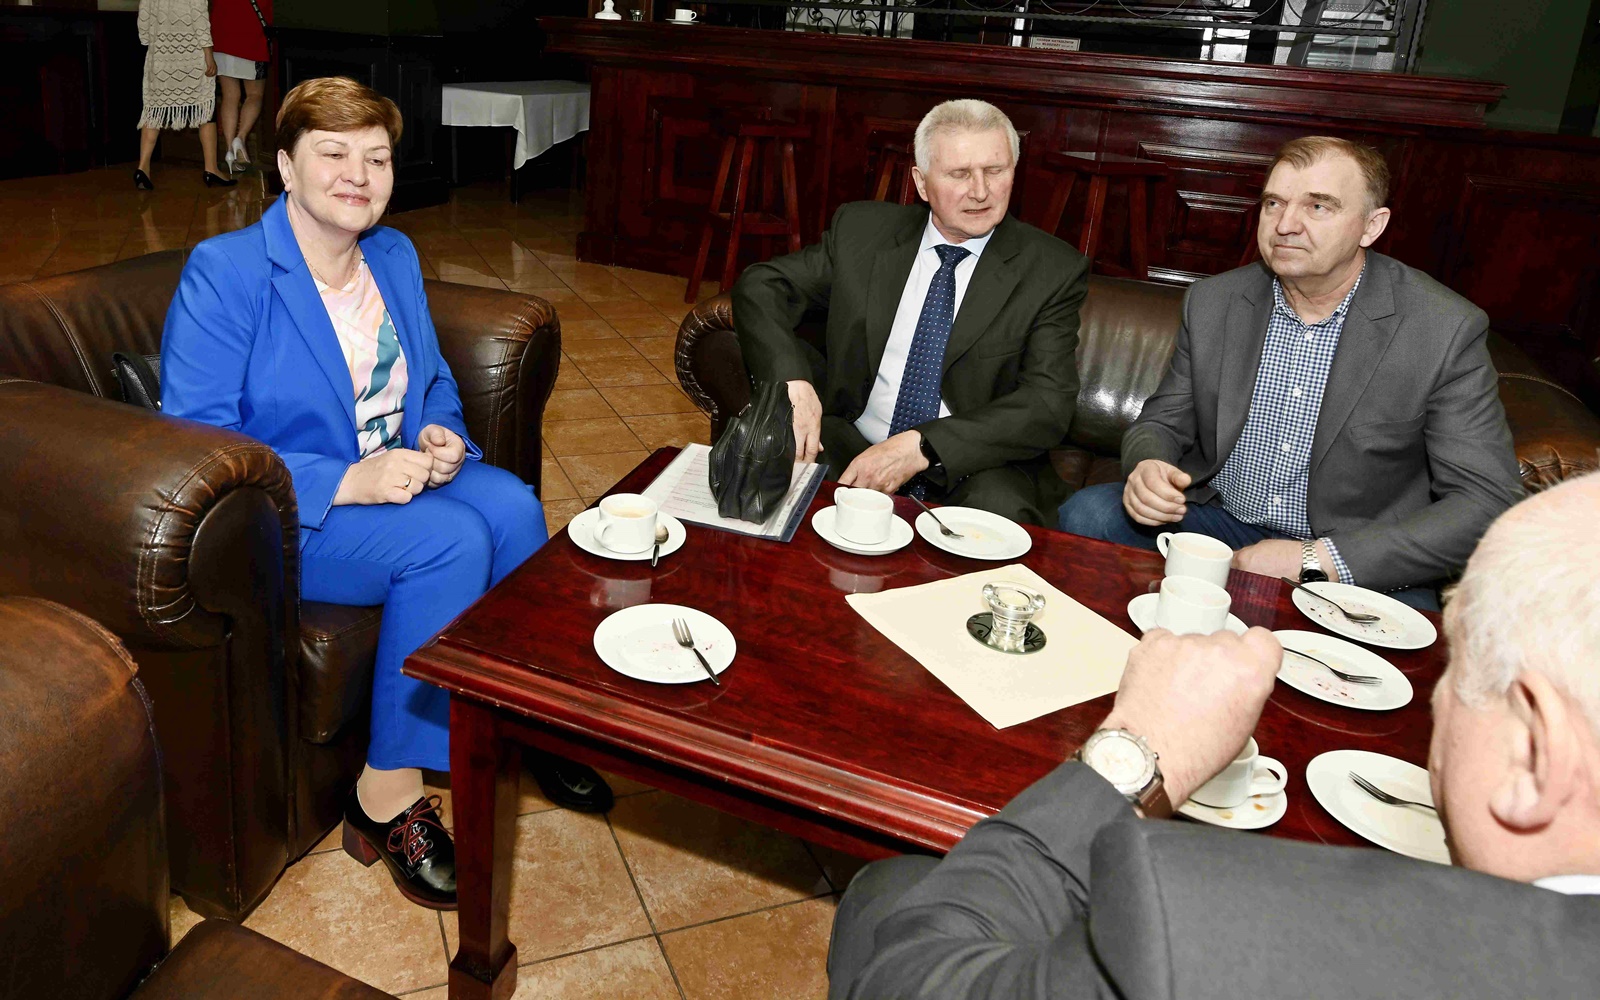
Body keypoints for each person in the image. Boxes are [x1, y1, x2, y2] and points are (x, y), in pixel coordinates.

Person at [829, 472, 1600, 999]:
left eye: (1457, 667)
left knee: (890, 900)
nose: (1438, 699)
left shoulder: (1202, 924)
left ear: (1536, 753)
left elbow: (910, 980)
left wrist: (1134, 749)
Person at [160, 76, 611, 911]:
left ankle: (521, 715)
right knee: (450, 542)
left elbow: (431, 379)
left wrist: (442, 433)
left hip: (394, 472)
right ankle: (386, 797)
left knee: (513, 504)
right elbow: (199, 445)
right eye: (333, 153)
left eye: (376, 158)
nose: (358, 175)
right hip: (285, 514)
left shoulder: (393, 256)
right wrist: (345, 479)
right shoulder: (226, 272)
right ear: (285, 166)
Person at [1057, 136, 1523, 610]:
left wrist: (1318, 558)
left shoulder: (1441, 329)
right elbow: (1162, 420)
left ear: (1371, 226)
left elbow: (1486, 502)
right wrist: (1148, 465)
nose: (1285, 225)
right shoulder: (1215, 301)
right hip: (1221, 524)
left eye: (1318, 206)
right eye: (1273, 203)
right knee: (1090, 514)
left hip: (1354, 554)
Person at [732, 99, 1087, 526]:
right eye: (959, 174)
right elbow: (761, 285)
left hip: (973, 464)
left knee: (998, 517)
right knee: (769, 479)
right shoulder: (863, 232)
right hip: (854, 443)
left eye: (995, 170)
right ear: (921, 182)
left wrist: (921, 446)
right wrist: (791, 381)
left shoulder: (1051, 270)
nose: (980, 191)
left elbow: (1046, 403)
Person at [134, 0, 236, 189]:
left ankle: (143, 168)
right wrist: (208, 53)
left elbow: (144, 15)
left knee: (153, 111)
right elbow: (199, 16)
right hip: (191, 55)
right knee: (206, 110)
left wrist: (149, 40)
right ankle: (211, 168)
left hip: (159, 55)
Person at [210, 0, 271, 174]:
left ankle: (229, 149)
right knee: (254, 94)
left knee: (230, 96)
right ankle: (241, 138)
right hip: (251, 37)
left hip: (221, 35)